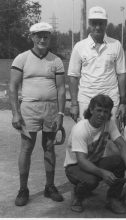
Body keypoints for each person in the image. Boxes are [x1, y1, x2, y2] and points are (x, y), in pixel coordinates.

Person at [9, 22, 66, 206]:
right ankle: (23, 189)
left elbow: (61, 90)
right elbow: (13, 87)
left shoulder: (56, 60)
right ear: (32, 37)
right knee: (26, 148)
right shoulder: (21, 58)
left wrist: (60, 114)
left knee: (49, 147)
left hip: (50, 109)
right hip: (29, 109)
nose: (42, 39)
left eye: (46, 36)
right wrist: (15, 114)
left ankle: (49, 187)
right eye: (39, 36)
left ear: (50, 38)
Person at [64, 94, 126, 214]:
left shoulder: (109, 123)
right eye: (99, 110)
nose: (102, 114)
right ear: (91, 110)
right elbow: (81, 161)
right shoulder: (80, 129)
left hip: (94, 161)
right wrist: (102, 173)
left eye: (106, 111)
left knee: (120, 161)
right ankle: (78, 196)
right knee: (91, 181)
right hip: (74, 166)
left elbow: (122, 145)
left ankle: (113, 199)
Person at [68, 6, 126, 122]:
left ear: (106, 23)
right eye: (94, 23)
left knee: (110, 136)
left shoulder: (116, 45)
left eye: (101, 23)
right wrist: (74, 104)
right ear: (89, 23)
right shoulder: (79, 46)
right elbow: (73, 77)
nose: (98, 27)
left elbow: (122, 75)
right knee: (85, 135)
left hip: (111, 99)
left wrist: (123, 103)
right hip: (86, 99)